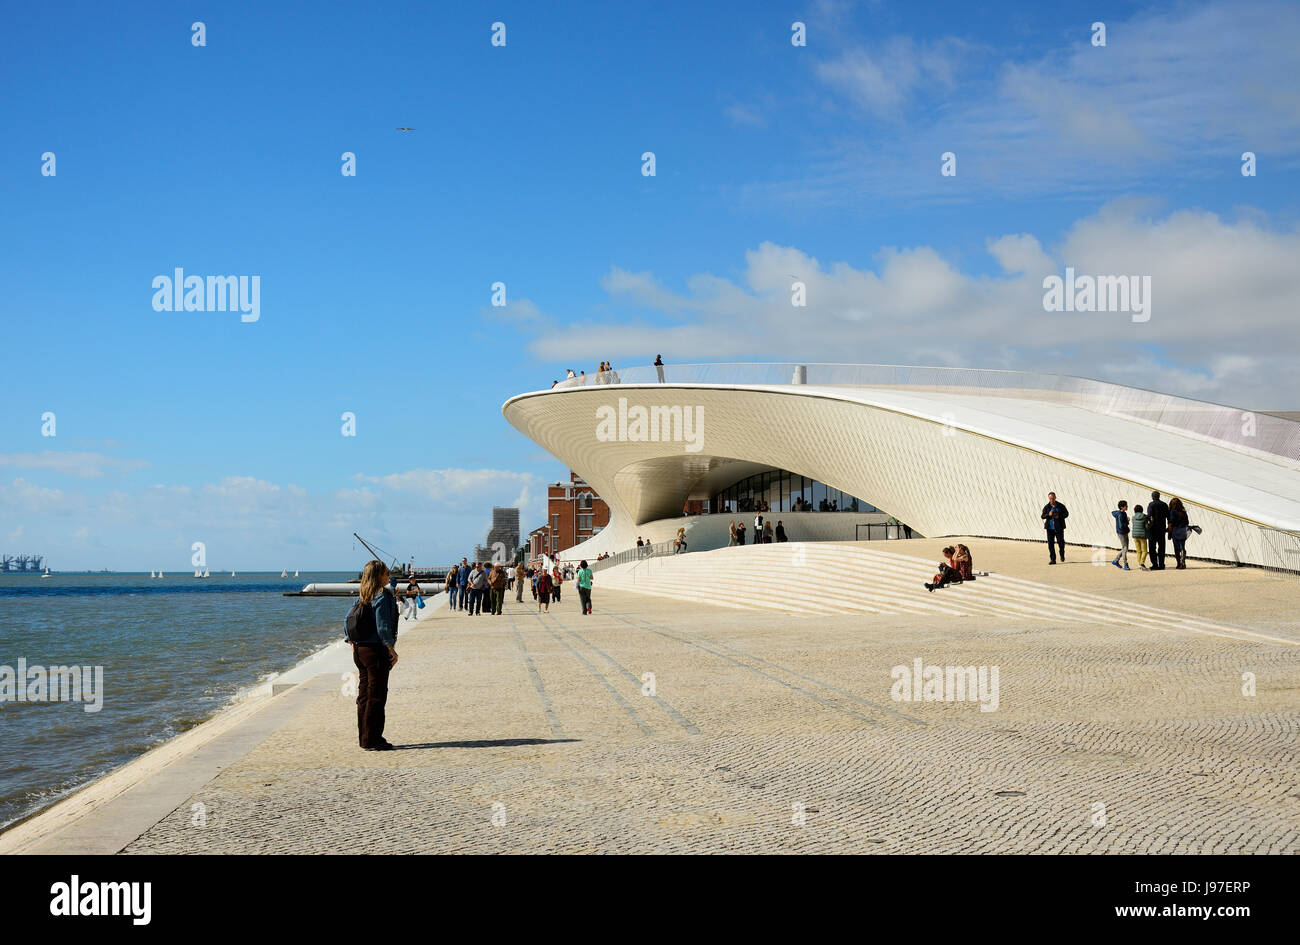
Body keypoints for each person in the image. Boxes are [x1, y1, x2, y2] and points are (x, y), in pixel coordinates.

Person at [349, 560, 399, 751]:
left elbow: (347, 620)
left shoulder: (363, 595)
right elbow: (383, 624)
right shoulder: (382, 595)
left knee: (364, 695)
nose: (389, 575)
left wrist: (352, 642)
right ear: (379, 575)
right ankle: (374, 740)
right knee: (376, 695)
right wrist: (390, 648)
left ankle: (364, 738)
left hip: (360, 650)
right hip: (376, 650)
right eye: (386, 572)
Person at [1041, 492, 1069, 564]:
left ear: (1055, 497)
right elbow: (1042, 516)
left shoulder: (1061, 506)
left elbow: (1066, 514)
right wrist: (1048, 514)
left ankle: (1062, 555)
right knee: (1050, 544)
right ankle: (1053, 559)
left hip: (1059, 528)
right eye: (1050, 498)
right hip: (1050, 529)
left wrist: (1059, 516)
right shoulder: (1047, 507)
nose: (1051, 500)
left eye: (1053, 498)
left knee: (1061, 543)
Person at [1146, 491, 1169, 570]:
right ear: (1159, 496)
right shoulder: (1164, 504)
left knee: (1152, 547)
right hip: (1162, 529)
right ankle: (1161, 564)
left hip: (1153, 529)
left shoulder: (1151, 505)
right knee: (1161, 547)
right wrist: (1168, 527)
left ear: (1152, 497)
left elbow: (1149, 516)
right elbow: (1168, 516)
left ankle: (1155, 564)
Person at [1168, 497, 1191, 569]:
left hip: (1175, 531)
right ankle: (1183, 562)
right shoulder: (1183, 512)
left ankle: (1178, 563)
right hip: (1183, 530)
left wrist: (1169, 533)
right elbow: (1187, 522)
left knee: (1176, 548)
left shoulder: (1172, 512)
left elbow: (1171, 523)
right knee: (1182, 547)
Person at [1110, 500, 1131, 570]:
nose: (1127, 506)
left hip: (1125, 532)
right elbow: (1121, 525)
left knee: (1125, 548)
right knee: (1125, 548)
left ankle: (1116, 560)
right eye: (1126, 506)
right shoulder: (1120, 514)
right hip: (1122, 533)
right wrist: (1127, 521)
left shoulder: (1123, 513)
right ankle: (1125, 564)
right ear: (1122, 507)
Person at [1131, 504, 1149, 570]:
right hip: (1142, 536)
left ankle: (1139, 564)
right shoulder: (1144, 517)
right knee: (1144, 551)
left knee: (1138, 551)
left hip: (1135, 536)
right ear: (1142, 510)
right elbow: (1147, 527)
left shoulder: (1133, 517)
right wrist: (1151, 523)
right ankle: (1142, 563)